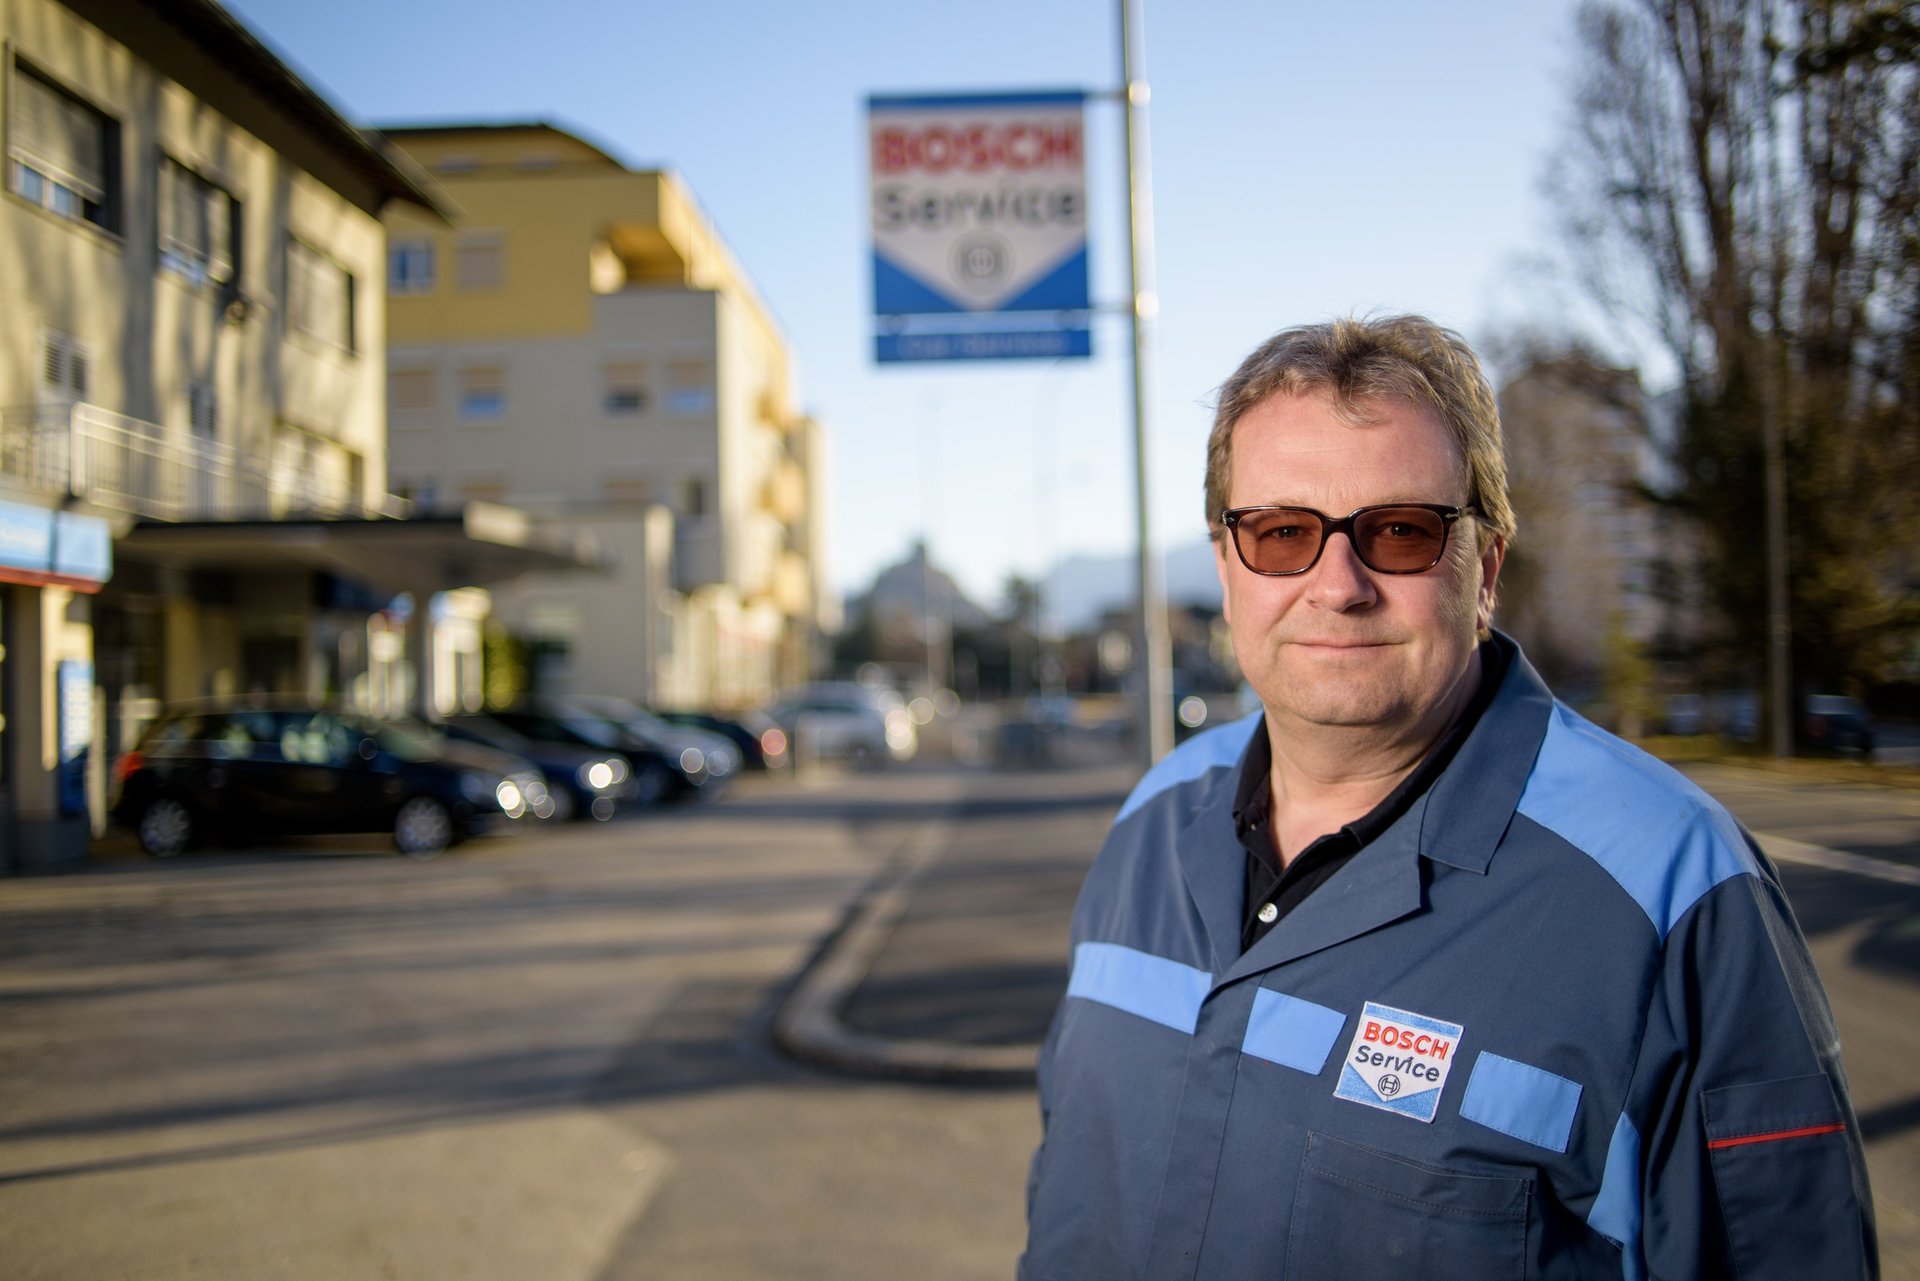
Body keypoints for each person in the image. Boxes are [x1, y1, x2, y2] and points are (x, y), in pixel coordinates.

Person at [1019, 316, 1877, 1280]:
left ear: (1487, 570)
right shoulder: (1151, 820)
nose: (1336, 586)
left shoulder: (1674, 889)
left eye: (1398, 532)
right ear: (1227, 569)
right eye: (1283, 533)